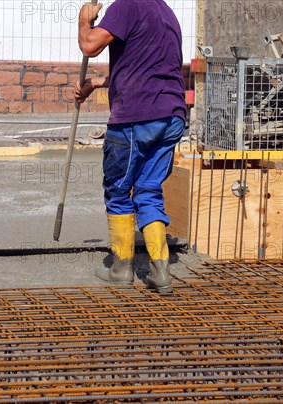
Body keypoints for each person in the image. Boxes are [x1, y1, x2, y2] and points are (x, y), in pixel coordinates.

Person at [74, 0, 187, 293]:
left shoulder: (126, 5)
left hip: (137, 117)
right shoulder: (164, 12)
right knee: (149, 189)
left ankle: (122, 267)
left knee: (119, 189)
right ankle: (160, 271)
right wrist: (97, 84)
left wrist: (84, 20)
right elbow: (144, 68)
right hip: (171, 116)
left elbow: (90, 46)